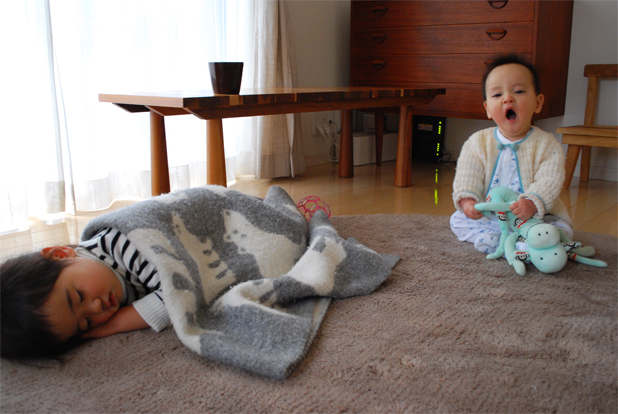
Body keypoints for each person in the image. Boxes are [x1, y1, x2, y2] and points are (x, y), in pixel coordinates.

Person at [450, 54, 573, 254]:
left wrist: (532, 203)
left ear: (538, 102)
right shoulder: (477, 142)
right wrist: (467, 202)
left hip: (535, 218)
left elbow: (550, 181)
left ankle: (521, 240)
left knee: (561, 229)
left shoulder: (547, 144)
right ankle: (510, 242)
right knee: (457, 221)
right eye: (497, 94)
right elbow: (466, 176)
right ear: (487, 108)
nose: (508, 98)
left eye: (519, 91)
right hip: (492, 217)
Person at [1, 227, 168, 360]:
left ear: (60, 255)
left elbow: (178, 295)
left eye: (79, 296)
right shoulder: (105, 287)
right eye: (87, 322)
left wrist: (116, 323)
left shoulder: (124, 243)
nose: (96, 308)